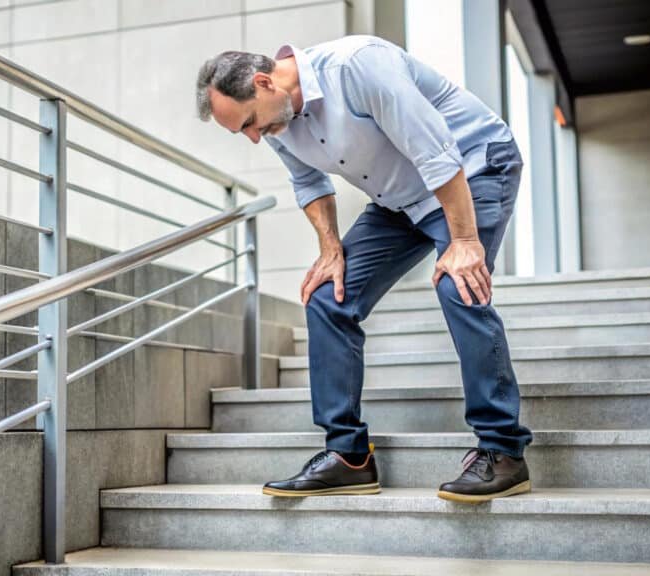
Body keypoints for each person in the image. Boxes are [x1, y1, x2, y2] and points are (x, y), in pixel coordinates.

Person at [195, 35, 534, 503]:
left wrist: (464, 241)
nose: (253, 136)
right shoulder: (279, 121)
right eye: (244, 132)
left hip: (473, 166)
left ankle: (504, 451)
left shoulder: (357, 67)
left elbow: (435, 151)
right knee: (326, 296)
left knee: (460, 282)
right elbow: (309, 181)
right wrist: (330, 249)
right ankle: (348, 457)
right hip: (400, 198)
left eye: (250, 123)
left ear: (264, 81)